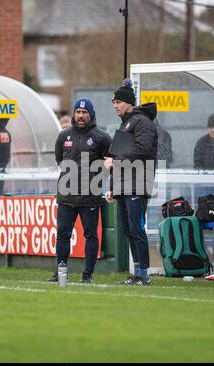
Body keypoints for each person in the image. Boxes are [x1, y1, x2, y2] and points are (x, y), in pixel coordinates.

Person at [48, 98, 112, 283]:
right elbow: (60, 159)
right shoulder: (64, 135)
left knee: (90, 235)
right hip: (66, 195)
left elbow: (110, 164)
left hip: (89, 196)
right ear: (74, 114)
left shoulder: (102, 137)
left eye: (85, 112)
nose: (81, 115)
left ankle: (87, 274)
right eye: (78, 112)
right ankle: (60, 272)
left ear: (91, 114)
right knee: (62, 234)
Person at [104, 78, 157, 286]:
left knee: (137, 229)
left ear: (128, 102)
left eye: (118, 102)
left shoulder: (142, 121)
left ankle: (143, 274)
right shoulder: (126, 123)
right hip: (125, 184)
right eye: (113, 103)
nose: (115, 106)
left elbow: (141, 150)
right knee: (128, 230)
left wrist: (115, 161)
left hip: (138, 182)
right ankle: (138, 273)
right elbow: (119, 155)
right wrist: (111, 187)